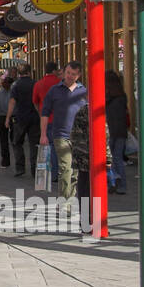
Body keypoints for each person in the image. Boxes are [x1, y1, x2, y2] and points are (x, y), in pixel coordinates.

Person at [40, 61, 88, 210]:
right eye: (68, 73)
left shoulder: (83, 92)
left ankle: (70, 198)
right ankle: (65, 203)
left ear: (78, 75)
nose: (70, 76)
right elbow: (45, 113)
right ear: (63, 72)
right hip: (61, 134)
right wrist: (43, 134)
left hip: (80, 137)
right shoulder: (55, 90)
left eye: (73, 74)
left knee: (75, 172)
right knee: (66, 168)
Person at [6, 66, 40, 178]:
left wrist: (7, 118)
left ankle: (20, 167)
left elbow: (12, 102)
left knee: (17, 142)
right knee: (34, 144)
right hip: (34, 117)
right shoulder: (35, 83)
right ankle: (34, 169)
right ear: (30, 72)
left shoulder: (15, 85)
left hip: (19, 117)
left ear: (19, 73)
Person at [106, 71, 129, 194]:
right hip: (121, 131)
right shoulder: (122, 96)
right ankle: (120, 183)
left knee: (109, 159)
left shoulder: (107, 98)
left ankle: (113, 182)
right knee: (117, 158)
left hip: (109, 131)